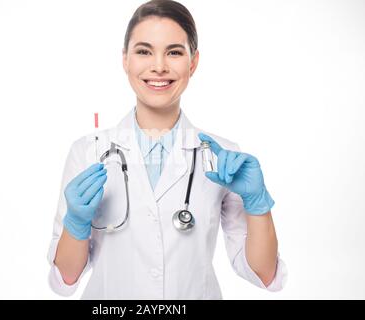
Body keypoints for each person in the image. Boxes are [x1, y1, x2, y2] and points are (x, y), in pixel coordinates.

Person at [47, 0, 287, 299]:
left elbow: (264, 274)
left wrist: (258, 204)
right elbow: (65, 279)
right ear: (125, 60)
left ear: (193, 62)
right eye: (144, 51)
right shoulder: (88, 151)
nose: (158, 66)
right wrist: (76, 223)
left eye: (174, 52)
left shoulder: (223, 156)